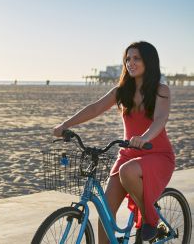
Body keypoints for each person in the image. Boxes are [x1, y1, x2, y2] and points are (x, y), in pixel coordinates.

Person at [52, 41, 174, 242]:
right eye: (127, 59)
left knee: (128, 170)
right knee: (105, 213)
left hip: (156, 153)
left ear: (148, 62)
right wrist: (65, 125)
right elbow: (95, 108)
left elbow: (160, 119)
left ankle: (151, 220)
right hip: (128, 154)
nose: (130, 63)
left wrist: (144, 138)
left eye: (136, 58)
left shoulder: (161, 90)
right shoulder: (122, 91)